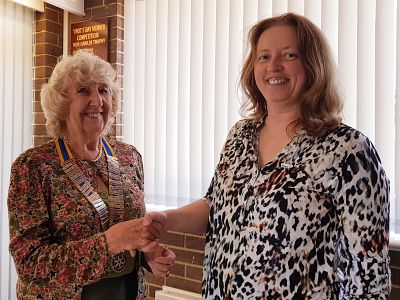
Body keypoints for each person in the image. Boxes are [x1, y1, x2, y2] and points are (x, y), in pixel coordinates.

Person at [144, 13, 391, 299]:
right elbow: (218, 205)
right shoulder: (240, 135)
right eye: (263, 57)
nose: (274, 66)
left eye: (289, 55)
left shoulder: (348, 149)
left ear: (313, 65)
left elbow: (370, 276)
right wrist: (166, 219)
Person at [7, 51, 175, 300]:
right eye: (84, 91)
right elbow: (29, 262)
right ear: (62, 103)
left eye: (104, 90)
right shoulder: (34, 166)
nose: (97, 101)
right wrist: (108, 242)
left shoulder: (129, 157)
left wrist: (148, 255)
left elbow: (130, 236)